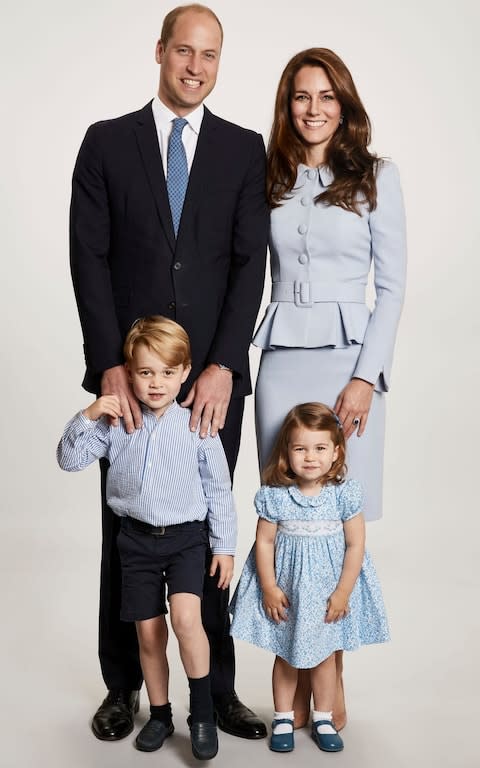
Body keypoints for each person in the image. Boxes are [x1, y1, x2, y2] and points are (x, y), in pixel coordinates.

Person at [69, 4, 268, 741]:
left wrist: (223, 365)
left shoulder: (245, 151)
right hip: (132, 380)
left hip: (209, 386)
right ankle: (124, 685)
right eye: (184, 50)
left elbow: (252, 264)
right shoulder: (107, 143)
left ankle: (213, 693)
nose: (195, 66)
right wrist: (108, 369)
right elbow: (87, 258)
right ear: (160, 52)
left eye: (209, 55)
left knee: (209, 532)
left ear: (220, 63)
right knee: (124, 532)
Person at [253, 47, 406, 729]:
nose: (313, 109)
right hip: (282, 359)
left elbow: (394, 287)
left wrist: (366, 378)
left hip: (349, 363)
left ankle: (331, 679)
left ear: (344, 104)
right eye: (299, 97)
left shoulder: (377, 176)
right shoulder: (269, 176)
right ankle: (294, 688)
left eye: (325, 96)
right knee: (289, 526)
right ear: (287, 107)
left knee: (338, 524)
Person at [58, 316, 237, 759]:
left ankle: (202, 714)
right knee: (149, 633)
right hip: (135, 541)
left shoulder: (197, 425)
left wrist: (225, 547)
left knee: (185, 620)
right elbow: (68, 459)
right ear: (130, 372)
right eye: (145, 372)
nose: (156, 383)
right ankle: (160, 714)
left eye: (167, 373)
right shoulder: (119, 424)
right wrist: (89, 413)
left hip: (186, 541)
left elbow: (219, 489)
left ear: (185, 371)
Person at [230, 403, 389, 753]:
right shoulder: (275, 496)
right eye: (300, 448)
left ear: (336, 452)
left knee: (325, 656)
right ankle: (284, 716)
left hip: (328, 595)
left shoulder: (343, 495)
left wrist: (343, 592)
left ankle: (323, 716)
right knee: (285, 655)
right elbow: (264, 542)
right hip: (289, 593)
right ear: (287, 452)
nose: (310, 457)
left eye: (320, 448)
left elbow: (355, 544)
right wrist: (269, 588)